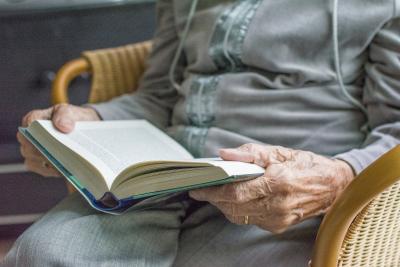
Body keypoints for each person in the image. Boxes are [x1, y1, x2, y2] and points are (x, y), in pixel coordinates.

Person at [3, 0, 400, 266]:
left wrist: (337, 179)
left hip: (281, 194)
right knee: (40, 254)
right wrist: (87, 119)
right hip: (163, 176)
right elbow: (159, 94)